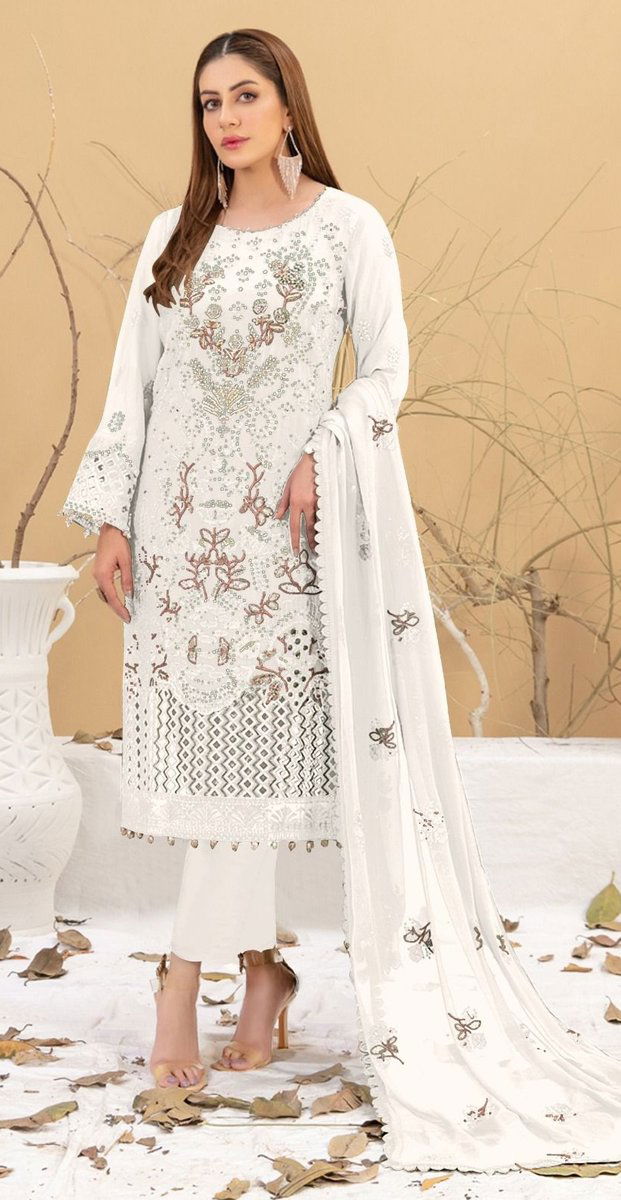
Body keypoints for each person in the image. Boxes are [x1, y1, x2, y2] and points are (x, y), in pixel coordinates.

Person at [60, 27, 621, 1176]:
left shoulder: (346, 228)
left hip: (285, 542)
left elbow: (387, 370)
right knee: (211, 776)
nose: (226, 118)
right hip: (182, 540)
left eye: (245, 95)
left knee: (253, 778)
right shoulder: (174, 237)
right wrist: (113, 518)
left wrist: (326, 445)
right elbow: (133, 388)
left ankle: (182, 980)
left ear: (288, 106)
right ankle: (263, 969)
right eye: (210, 101)